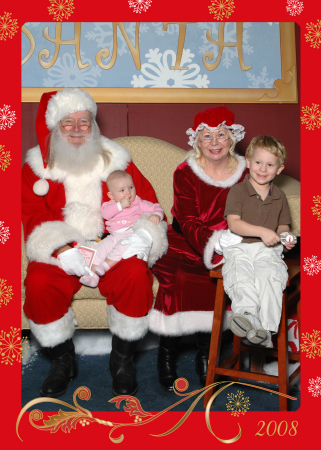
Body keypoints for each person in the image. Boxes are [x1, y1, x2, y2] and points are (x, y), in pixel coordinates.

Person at [22, 88, 168, 398]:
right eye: (68, 122)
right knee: (37, 282)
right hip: (64, 251)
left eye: (84, 121)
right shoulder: (35, 169)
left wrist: (141, 234)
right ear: (55, 126)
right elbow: (32, 215)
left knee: (134, 275)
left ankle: (123, 359)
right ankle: (62, 360)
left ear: (93, 125)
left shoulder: (117, 160)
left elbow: (146, 202)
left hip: (112, 245)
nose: (76, 129)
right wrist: (62, 249)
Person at [149, 106, 248, 390]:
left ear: (232, 137)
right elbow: (188, 219)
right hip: (183, 241)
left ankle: (208, 355)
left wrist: (234, 245)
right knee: (179, 280)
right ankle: (166, 354)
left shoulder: (246, 172)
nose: (214, 142)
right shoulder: (185, 171)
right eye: (206, 136)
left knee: (214, 282)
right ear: (197, 141)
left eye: (221, 134)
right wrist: (216, 248)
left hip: (231, 242)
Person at [222, 135, 295, 348]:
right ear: (247, 162)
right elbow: (234, 223)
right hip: (239, 247)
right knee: (240, 276)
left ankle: (265, 329)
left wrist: (285, 237)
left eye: (270, 164)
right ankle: (248, 319)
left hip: (268, 250)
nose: (263, 169)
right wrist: (262, 231)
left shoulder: (280, 196)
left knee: (269, 276)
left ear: (279, 169)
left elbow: (283, 226)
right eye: (258, 162)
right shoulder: (237, 191)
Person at [79, 170, 165, 288]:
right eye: (122, 190)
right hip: (113, 236)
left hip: (130, 233)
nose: (128, 193)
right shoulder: (109, 205)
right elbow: (105, 214)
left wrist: (157, 215)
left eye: (131, 187)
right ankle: (93, 276)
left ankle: (106, 265)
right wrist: (120, 205)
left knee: (122, 247)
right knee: (99, 250)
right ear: (111, 195)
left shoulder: (138, 202)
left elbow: (157, 207)